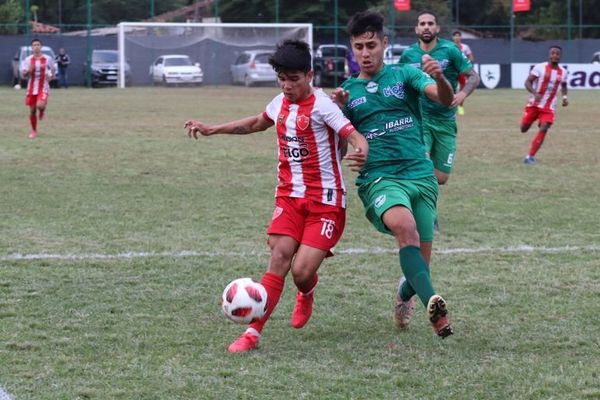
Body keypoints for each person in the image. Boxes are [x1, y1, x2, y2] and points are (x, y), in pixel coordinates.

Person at [184, 39, 369, 353]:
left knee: (301, 272)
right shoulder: (279, 103)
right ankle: (252, 334)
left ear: (310, 75)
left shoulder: (323, 105)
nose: (287, 86)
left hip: (326, 203)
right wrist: (213, 128)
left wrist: (361, 150)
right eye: (282, 79)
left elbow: (353, 136)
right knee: (280, 256)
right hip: (289, 197)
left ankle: (306, 291)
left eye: (294, 80)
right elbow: (256, 123)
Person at [331, 11, 454, 338]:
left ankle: (404, 296)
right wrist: (338, 113)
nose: (365, 53)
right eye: (358, 47)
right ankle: (437, 312)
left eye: (371, 45)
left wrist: (440, 78)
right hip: (380, 179)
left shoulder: (405, 75)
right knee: (405, 227)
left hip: (421, 176)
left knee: (419, 267)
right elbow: (340, 150)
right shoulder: (346, 93)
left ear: (384, 43)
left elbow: (445, 99)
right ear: (352, 49)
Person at [400, 11, 480, 186]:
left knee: (441, 178)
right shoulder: (408, 55)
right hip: (420, 120)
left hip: (445, 120)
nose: (426, 27)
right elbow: (401, 84)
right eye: (422, 23)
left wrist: (462, 94)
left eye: (430, 23)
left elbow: (474, 77)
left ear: (437, 28)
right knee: (422, 165)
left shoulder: (450, 50)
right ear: (416, 29)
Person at [520, 45, 568, 165]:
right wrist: (534, 93)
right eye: (553, 53)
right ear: (549, 55)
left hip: (549, 106)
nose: (555, 56)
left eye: (557, 54)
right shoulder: (540, 68)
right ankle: (535, 122)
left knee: (545, 127)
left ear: (560, 56)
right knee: (523, 128)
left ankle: (530, 156)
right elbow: (527, 82)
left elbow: (564, 85)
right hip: (534, 104)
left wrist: (565, 97)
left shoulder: (563, 72)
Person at [21, 38, 56, 139]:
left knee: (40, 105)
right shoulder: (28, 60)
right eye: (34, 45)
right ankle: (34, 130)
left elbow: (53, 69)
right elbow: (24, 75)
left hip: (43, 87)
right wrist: (29, 70)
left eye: (38, 45)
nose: (36, 46)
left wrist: (51, 77)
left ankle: (42, 110)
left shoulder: (47, 58)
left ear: (41, 47)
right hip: (31, 88)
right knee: (32, 111)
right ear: (32, 48)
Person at [452, 31, 474, 115]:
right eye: (455, 36)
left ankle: (460, 106)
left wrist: (464, 63)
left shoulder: (465, 47)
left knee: (462, 89)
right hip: (452, 72)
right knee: (450, 88)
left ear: (460, 37)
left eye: (458, 36)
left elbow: (471, 58)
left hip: (461, 72)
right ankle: (450, 106)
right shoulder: (449, 46)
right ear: (453, 37)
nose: (457, 38)